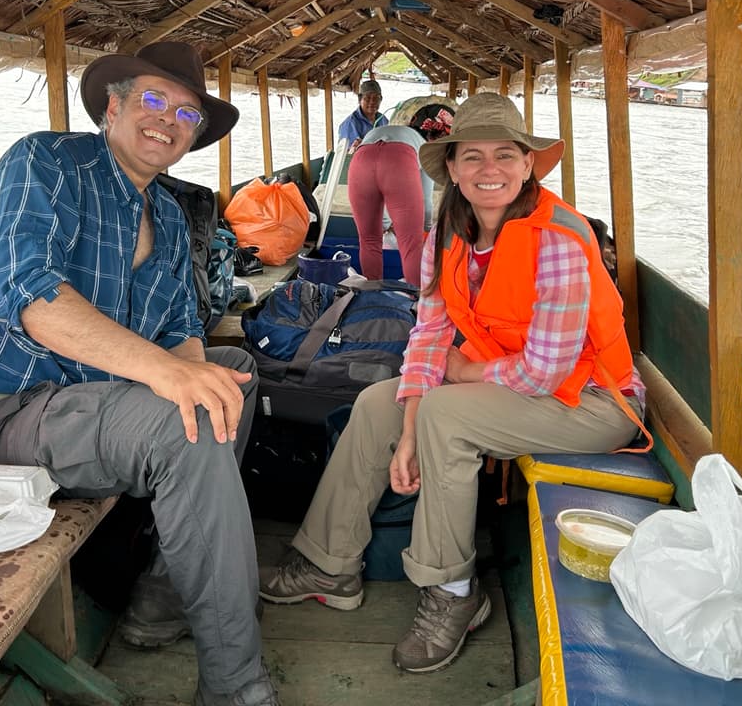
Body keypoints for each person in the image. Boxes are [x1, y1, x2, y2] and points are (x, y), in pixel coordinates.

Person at [0, 42, 278, 706]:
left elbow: (182, 330)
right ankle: (238, 687)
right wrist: (171, 385)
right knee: (187, 429)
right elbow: (33, 298)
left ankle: (162, 592)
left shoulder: (172, 220)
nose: (167, 119)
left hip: (84, 403)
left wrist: (193, 382)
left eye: (187, 114)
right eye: (152, 99)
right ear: (113, 106)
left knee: (230, 378)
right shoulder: (46, 163)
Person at [259, 93, 646, 674]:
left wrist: (458, 378)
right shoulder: (449, 230)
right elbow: (429, 332)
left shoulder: (559, 238)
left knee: (447, 415)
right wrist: (410, 424)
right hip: (508, 390)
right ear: (454, 168)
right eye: (473, 157)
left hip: (594, 401)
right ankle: (328, 564)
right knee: (375, 405)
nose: (489, 170)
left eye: (505, 156)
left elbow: (545, 370)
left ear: (527, 165)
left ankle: (455, 594)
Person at [345, 105, 454, 287]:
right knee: (411, 243)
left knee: (369, 239)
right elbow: (426, 203)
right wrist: (426, 231)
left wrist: (387, 223)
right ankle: (416, 303)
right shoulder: (425, 148)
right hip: (399, 161)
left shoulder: (393, 130)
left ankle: (371, 296)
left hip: (361, 160)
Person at [337, 78, 388, 147]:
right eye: (367, 98)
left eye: (376, 98)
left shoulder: (383, 119)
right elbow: (348, 153)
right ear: (360, 100)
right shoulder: (350, 123)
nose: (372, 102)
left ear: (381, 100)